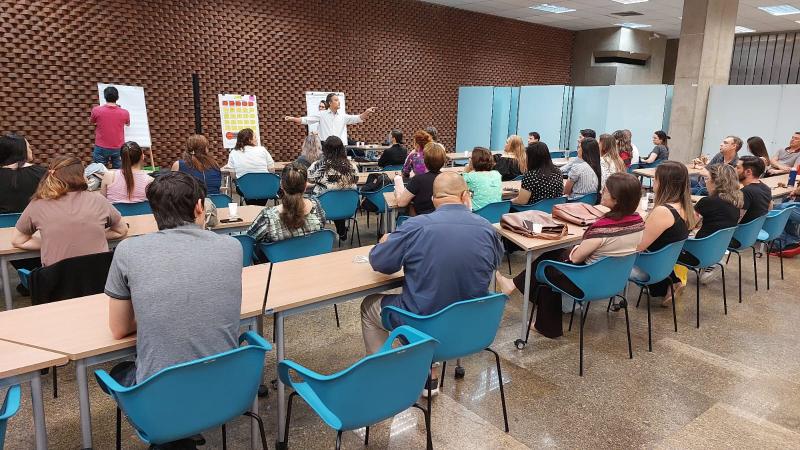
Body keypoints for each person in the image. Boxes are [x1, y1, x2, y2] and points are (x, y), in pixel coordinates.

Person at [105, 170, 242, 395]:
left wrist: (156, 311)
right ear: (200, 207)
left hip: (160, 395)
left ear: (154, 211)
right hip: (225, 387)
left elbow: (119, 329)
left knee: (119, 371)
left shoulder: (128, 251)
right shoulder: (232, 247)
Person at [360, 172, 504, 354]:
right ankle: (428, 363)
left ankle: (384, 371)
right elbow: (495, 262)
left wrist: (387, 242)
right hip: (471, 322)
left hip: (422, 322)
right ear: (465, 196)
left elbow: (380, 263)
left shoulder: (415, 226)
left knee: (368, 305)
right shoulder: (487, 228)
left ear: (434, 199)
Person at [496, 173, 644, 336]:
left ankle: (546, 324)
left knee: (545, 267)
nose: (602, 192)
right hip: (614, 280)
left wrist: (575, 248)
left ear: (617, 199)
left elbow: (575, 258)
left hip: (586, 283)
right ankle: (516, 288)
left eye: (606, 190)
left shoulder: (602, 230)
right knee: (554, 254)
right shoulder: (638, 223)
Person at [12, 155, 128, 267]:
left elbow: (18, 240)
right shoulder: (98, 200)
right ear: (82, 175)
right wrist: (90, 237)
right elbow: (121, 230)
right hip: (99, 281)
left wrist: (54, 242)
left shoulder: (37, 204)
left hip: (57, 283)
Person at [635, 162, 695, 304]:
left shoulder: (663, 211)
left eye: (655, 179)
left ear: (663, 183)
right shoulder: (686, 207)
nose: (653, 182)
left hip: (649, 267)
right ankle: (672, 282)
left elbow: (638, 246)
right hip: (665, 265)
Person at [247, 164, 326, 244]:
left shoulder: (268, 217)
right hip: (312, 255)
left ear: (281, 185)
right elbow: (322, 227)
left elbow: (247, 242)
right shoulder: (316, 206)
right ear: (306, 186)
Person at [307, 136, 358, 240]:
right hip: (348, 207)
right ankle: (341, 230)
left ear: (325, 149)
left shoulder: (318, 165)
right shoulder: (352, 166)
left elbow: (310, 178)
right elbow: (355, 179)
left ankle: (313, 235)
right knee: (338, 194)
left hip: (324, 208)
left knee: (319, 196)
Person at [284, 93, 376, 143]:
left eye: (338, 100)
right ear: (330, 103)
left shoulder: (343, 116)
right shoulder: (321, 114)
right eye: (336, 100)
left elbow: (358, 118)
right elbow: (306, 120)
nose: (338, 102)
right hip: (324, 145)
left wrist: (366, 112)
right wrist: (292, 118)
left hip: (338, 145)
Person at [394, 142, 446, 215]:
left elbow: (401, 203)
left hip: (421, 222)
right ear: (443, 161)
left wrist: (397, 194)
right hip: (441, 219)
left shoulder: (418, 180)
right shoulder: (447, 179)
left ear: (424, 160)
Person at [0, 133, 46, 214]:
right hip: (34, 223)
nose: (31, 150)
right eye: (28, 147)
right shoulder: (42, 173)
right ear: (22, 150)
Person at [91, 86, 130, 169]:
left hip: (101, 147)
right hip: (119, 147)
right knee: (120, 173)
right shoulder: (125, 112)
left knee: (99, 173)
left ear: (105, 97)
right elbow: (127, 124)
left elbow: (92, 122)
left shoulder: (96, 110)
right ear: (117, 97)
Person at [737, 155, 771, 224]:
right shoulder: (766, 188)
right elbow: (770, 208)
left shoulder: (745, 192)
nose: (734, 170)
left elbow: (737, 219)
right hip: (756, 229)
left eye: (738, 168)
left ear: (748, 172)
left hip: (743, 232)